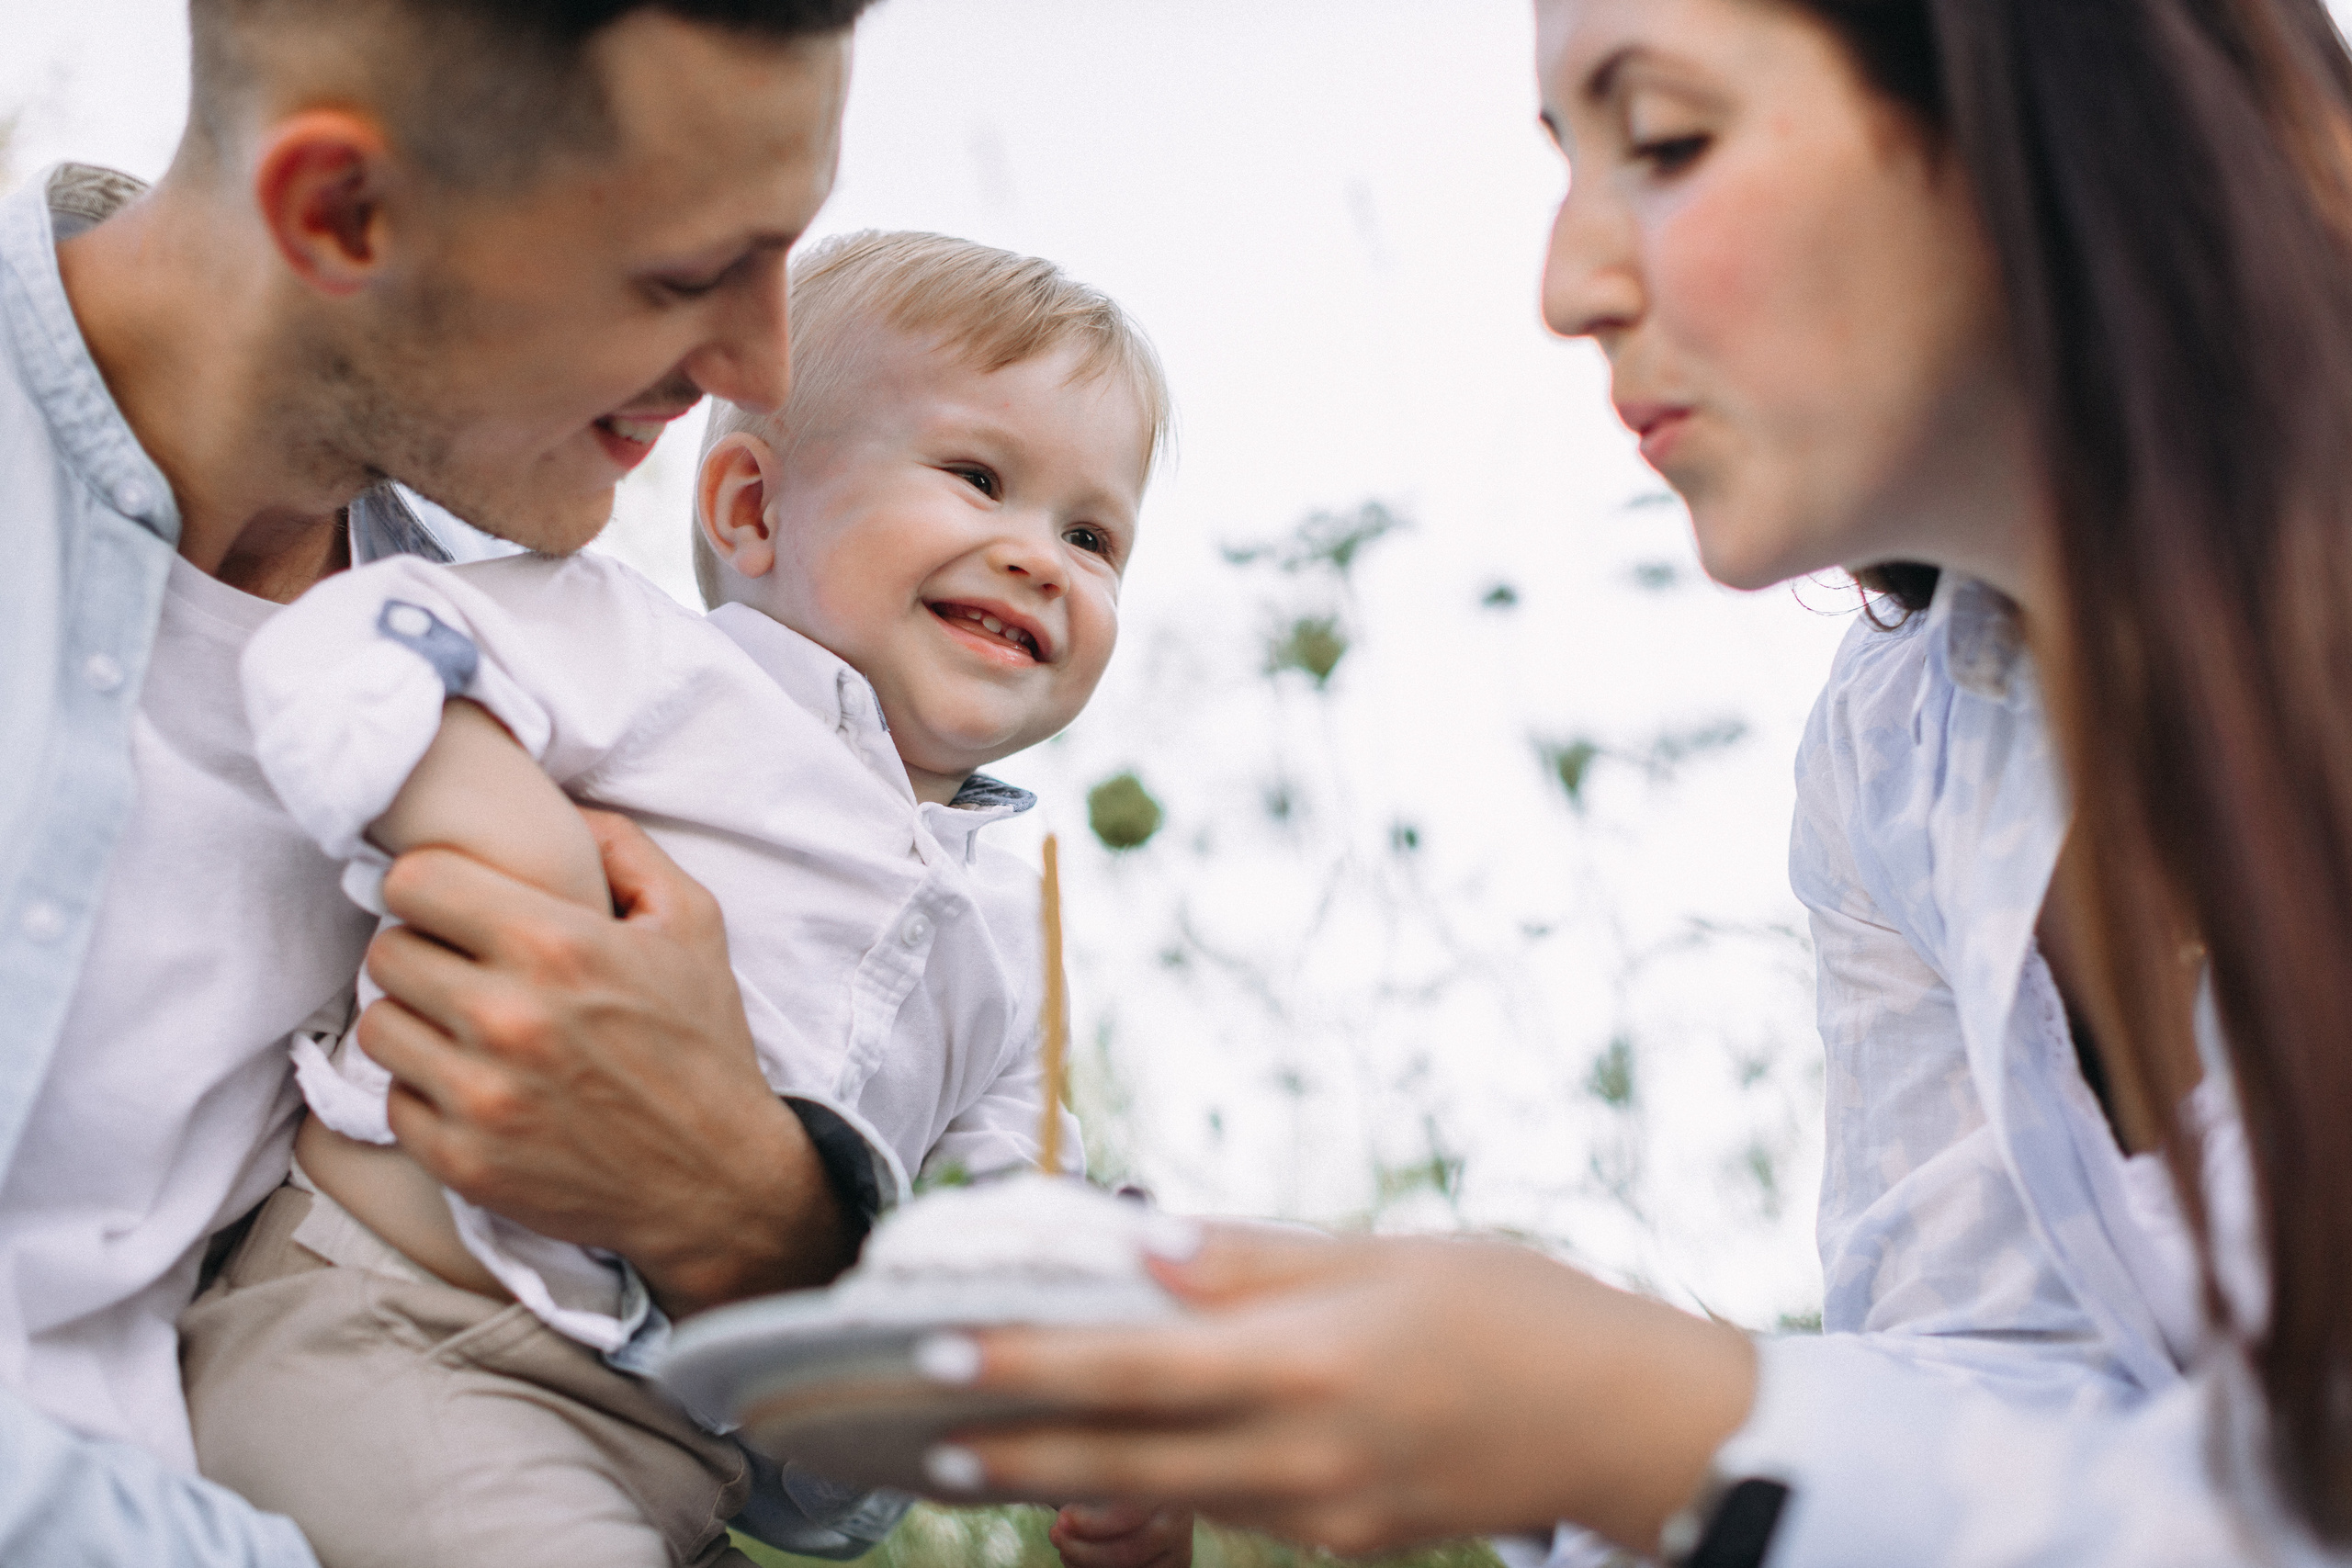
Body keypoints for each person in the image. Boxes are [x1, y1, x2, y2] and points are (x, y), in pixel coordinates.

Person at [881, 1, 2352, 1564]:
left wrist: (1639, 1416)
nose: (1569, 285)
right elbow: (2000, 1393)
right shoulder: (1904, 747)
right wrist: (1475, 1386)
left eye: (1666, 141)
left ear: (2046, 102)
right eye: (1566, 164)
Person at [0, 1, 900, 1562]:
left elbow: (836, 1481)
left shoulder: (549, 665)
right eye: (686, 274)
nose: (764, 363)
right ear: (341, 214)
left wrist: (745, 1204)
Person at [177, 228, 1193, 1568]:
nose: (1038, 556)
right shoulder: (649, 662)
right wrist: (495, 824)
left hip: (672, 1470)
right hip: (401, 1331)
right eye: (977, 478)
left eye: (1091, 533)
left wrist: (1110, 1400)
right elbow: (356, 642)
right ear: (753, 511)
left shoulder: (1010, 939)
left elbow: (992, 1228)